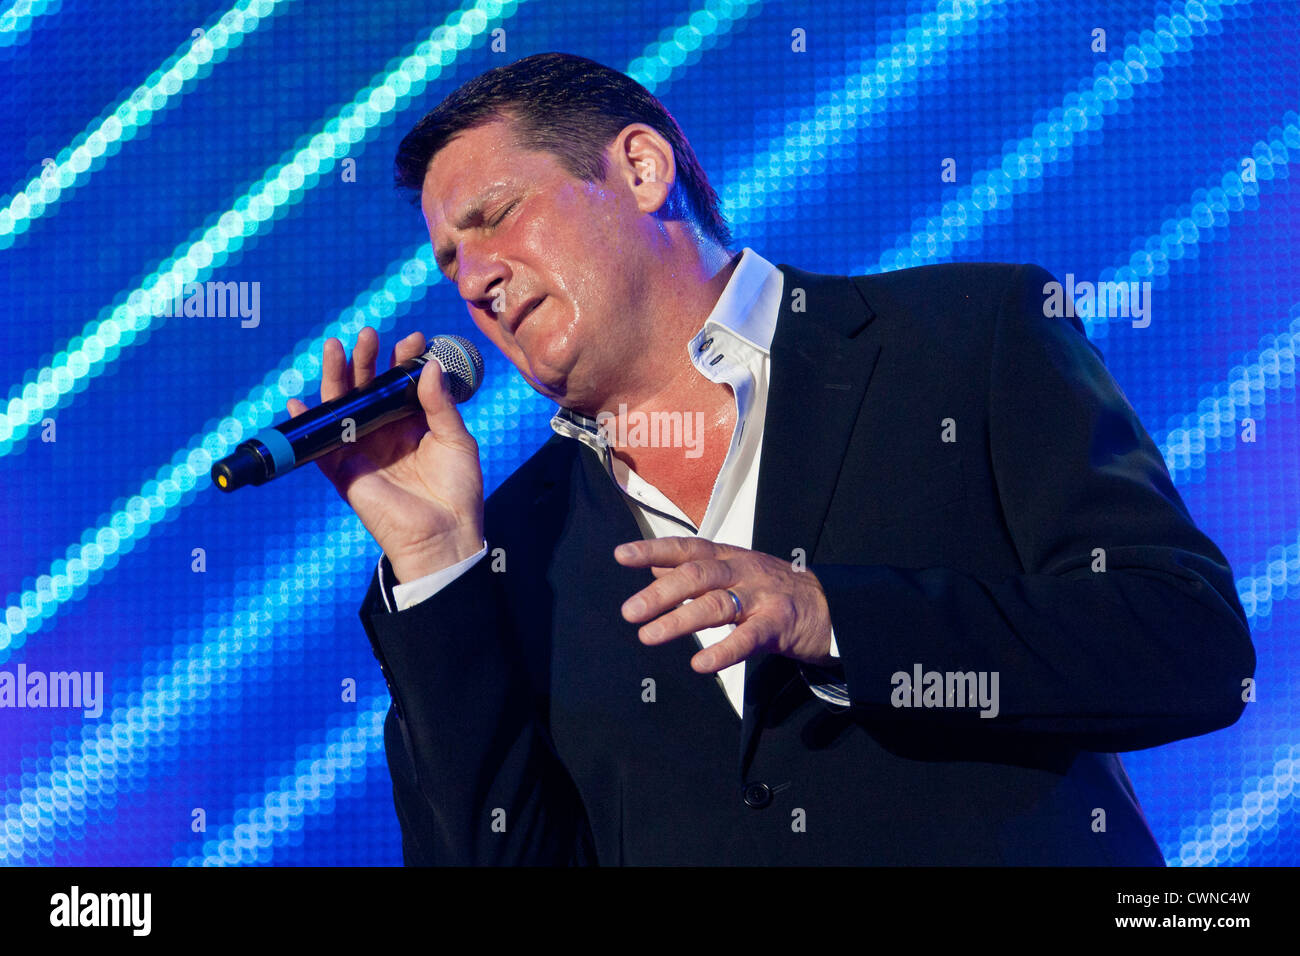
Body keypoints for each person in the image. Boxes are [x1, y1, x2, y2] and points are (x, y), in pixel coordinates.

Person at [289, 53, 1255, 865]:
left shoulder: (966, 338)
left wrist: (832, 615)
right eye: (450, 264)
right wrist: (436, 565)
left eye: (494, 217)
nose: (476, 281)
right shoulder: (511, 550)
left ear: (639, 167)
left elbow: (1191, 645)